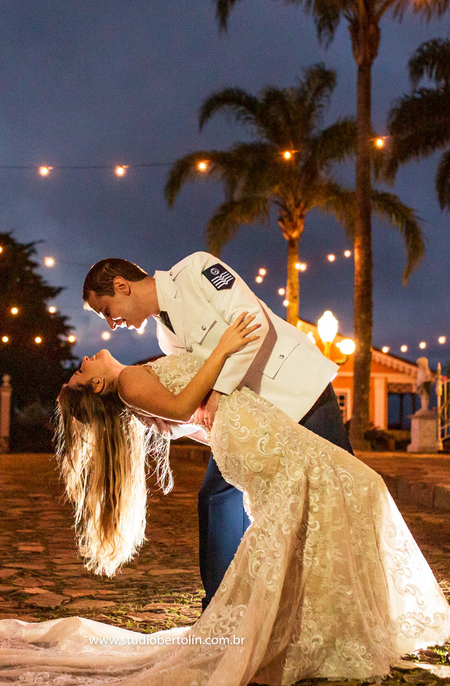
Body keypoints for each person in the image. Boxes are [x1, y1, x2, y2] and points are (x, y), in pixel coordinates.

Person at [0, 314, 450, 686]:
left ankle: (322, 626)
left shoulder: (134, 379)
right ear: (97, 385)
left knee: (340, 497)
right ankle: (328, 628)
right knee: (353, 490)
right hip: (251, 436)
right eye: (80, 372)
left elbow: (187, 408)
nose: (83, 360)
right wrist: (225, 346)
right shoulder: (129, 381)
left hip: (249, 431)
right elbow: (184, 404)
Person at [81, 254, 352, 610]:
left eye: (106, 310)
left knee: (344, 491)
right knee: (216, 497)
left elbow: (253, 322)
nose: (111, 323)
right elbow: (194, 393)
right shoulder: (165, 338)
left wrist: (219, 392)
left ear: (121, 286)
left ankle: (350, 596)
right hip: (256, 422)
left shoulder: (196, 270)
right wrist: (168, 422)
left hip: (300, 392)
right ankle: (222, 607)